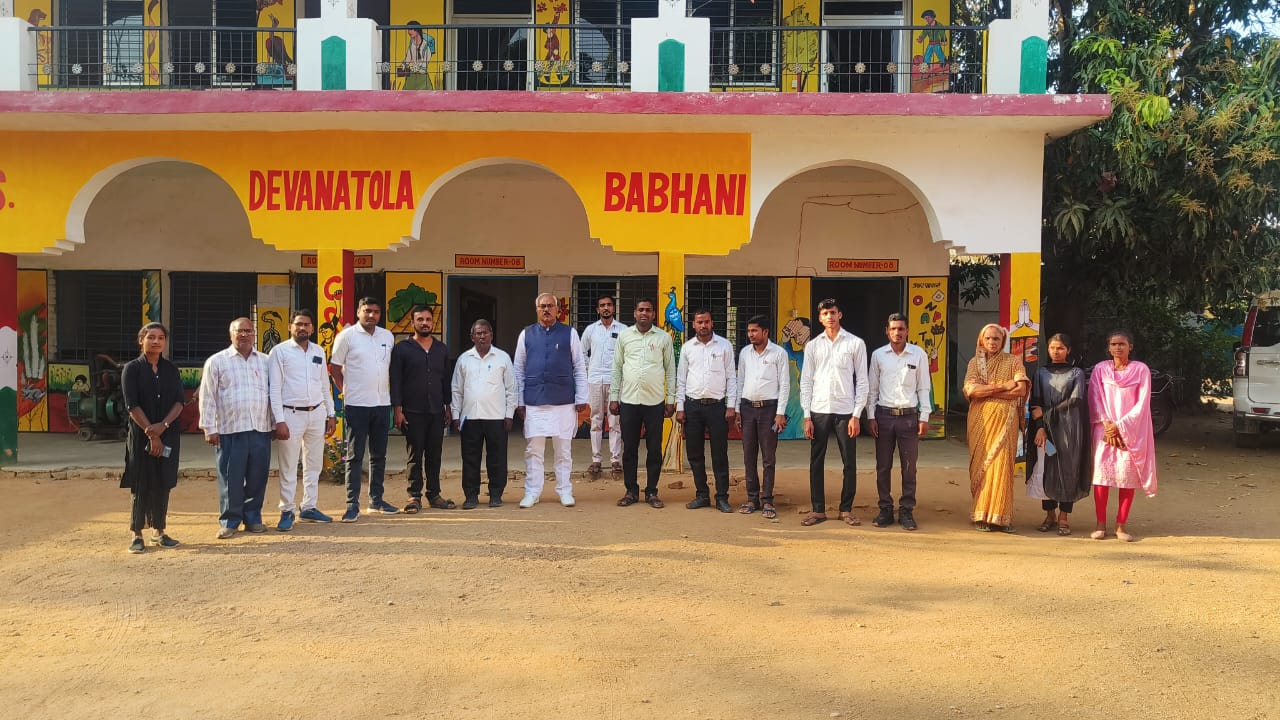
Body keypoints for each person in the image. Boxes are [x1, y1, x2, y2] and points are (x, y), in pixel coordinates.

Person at [199, 317, 275, 539]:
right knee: (230, 477)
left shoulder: (266, 362)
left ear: (254, 334)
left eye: (248, 331)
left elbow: (273, 394)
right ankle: (230, 520)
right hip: (230, 430)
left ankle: (253, 518)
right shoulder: (217, 361)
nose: (244, 335)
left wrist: (274, 422)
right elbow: (207, 396)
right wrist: (209, 427)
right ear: (230, 334)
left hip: (260, 428)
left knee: (257, 476)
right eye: (239, 331)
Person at [513, 292, 589, 508]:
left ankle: (565, 491)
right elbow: (518, 369)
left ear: (557, 309)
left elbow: (579, 367)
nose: (546, 310)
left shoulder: (570, 333)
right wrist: (519, 400)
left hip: (563, 400)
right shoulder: (526, 334)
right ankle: (532, 492)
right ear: (537, 309)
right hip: (534, 400)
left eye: (550, 306)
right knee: (534, 450)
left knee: (563, 449)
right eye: (542, 306)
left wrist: (581, 397)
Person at [799, 298, 868, 527]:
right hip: (818, 409)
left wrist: (856, 415)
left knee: (849, 461)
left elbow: (862, 381)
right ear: (820, 318)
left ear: (840, 315)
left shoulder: (855, 343)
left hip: (845, 411)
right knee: (816, 461)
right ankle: (818, 510)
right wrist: (806, 415)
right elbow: (806, 381)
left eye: (833, 312)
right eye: (825, 313)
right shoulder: (812, 346)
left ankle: (846, 509)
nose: (829, 316)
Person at [267, 310, 337, 531]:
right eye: (298, 324)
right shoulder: (279, 352)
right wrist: (279, 420)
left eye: (307, 324)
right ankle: (287, 509)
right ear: (290, 327)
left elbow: (324, 385)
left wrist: (331, 413)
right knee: (289, 466)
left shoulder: (318, 351)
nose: (302, 328)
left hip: (316, 413)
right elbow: (274, 389)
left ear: (312, 328)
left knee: (314, 464)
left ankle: (309, 507)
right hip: (290, 414)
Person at [330, 297, 398, 522]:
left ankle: (376, 501)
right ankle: (352, 505)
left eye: (376, 311)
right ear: (358, 311)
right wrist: (346, 390)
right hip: (356, 405)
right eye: (367, 310)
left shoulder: (387, 336)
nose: (371, 315)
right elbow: (335, 368)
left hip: (381, 404)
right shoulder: (346, 336)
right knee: (354, 456)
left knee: (379, 455)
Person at [121, 322, 185, 553]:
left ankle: (159, 531)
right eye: (151, 337)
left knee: (163, 481)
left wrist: (163, 426)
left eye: (160, 338)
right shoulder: (132, 369)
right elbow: (132, 405)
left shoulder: (171, 370)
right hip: (141, 437)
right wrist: (151, 432)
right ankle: (136, 534)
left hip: (168, 434)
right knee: (141, 482)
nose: (156, 341)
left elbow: (179, 402)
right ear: (141, 340)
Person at [1089, 330, 1158, 541]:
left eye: (1122, 344)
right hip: (1104, 430)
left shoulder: (1141, 370)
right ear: (1108, 347)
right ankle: (1100, 525)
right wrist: (1107, 425)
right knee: (1101, 477)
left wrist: (1120, 426)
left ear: (1130, 347)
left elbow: (1142, 403)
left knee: (1126, 477)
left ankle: (1121, 526)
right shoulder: (1100, 369)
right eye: (1114, 344)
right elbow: (1094, 397)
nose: (1118, 347)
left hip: (1131, 431)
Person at [867, 312, 932, 531]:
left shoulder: (918, 354)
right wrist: (870, 416)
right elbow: (872, 389)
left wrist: (924, 416)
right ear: (887, 331)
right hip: (884, 416)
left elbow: (923, 387)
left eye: (901, 329)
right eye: (893, 329)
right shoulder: (878, 355)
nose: (897, 333)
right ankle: (885, 508)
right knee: (883, 465)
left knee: (909, 467)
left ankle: (906, 509)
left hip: (909, 417)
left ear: (907, 331)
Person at [962, 323, 1030, 533]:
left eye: (996, 339)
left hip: (1006, 422)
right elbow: (971, 390)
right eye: (988, 338)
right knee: (981, 465)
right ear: (981, 340)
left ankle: (1001, 517)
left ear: (1003, 341)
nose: (992, 342)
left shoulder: (1013, 361)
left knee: (1002, 465)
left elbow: (1020, 390)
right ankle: (981, 514)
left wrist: (988, 391)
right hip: (980, 421)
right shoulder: (975, 363)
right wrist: (1003, 386)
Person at [610, 297, 676, 509]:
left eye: (648, 310)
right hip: (629, 401)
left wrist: (671, 399)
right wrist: (613, 397)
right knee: (629, 449)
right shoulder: (624, 336)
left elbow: (670, 370)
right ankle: (631, 491)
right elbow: (617, 367)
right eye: (641, 310)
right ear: (635, 313)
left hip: (655, 402)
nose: (644, 313)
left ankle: (652, 492)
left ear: (654, 314)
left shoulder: (664, 338)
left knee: (654, 449)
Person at [1026, 333, 1091, 536]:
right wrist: (1040, 427)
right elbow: (1036, 402)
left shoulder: (1076, 373)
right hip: (1046, 432)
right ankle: (1050, 515)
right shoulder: (1041, 373)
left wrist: (1046, 413)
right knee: (1046, 469)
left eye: (1061, 348)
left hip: (1069, 431)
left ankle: (1064, 518)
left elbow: (1075, 401)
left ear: (1068, 350)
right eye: (1052, 347)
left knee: (1067, 471)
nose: (1056, 351)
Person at [390, 305, 454, 513]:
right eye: (420, 319)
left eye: (428, 319)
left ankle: (434, 494)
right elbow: (396, 381)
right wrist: (397, 410)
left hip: (436, 411)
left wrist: (448, 407)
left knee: (435, 454)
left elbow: (446, 380)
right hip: (412, 411)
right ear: (412, 322)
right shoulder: (402, 349)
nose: (425, 323)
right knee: (415, 455)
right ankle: (414, 495)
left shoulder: (441, 349)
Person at [451, 319, 518, 508]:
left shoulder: (502, 358)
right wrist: (455, 415)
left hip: (496, 417)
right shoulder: (464, 359)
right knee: (470, 458)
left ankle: (496, 494)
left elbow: (512, 388)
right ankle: (471, 496)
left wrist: (509, 414)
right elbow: (456, 389)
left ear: (491, 335)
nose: (482, 336)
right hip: (470, 417)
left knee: (497, 458)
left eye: (485, 332)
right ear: (472, 337)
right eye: (478, 333)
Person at [676, 308, 738, 512]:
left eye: (706, 322)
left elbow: (731, 377)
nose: (703, 325)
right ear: (694, 325)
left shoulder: (724, 345)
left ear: (712, 323)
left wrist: (731, 406)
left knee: (719, 454)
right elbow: (681, 380)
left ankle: (722, 497)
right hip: (692, 406)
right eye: (699, 322)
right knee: (695, 454)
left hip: (717, 407)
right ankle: (702, 495)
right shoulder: (687, 348)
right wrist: (680, 407)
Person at [735, 314, 789, 520]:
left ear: (765, 332)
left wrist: (780, 413)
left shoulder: (779, 353)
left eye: (754, 331)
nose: (750, 334)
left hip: (769, 410)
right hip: (747, 408)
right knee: (749, 455)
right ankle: (752, 499)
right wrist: (738, 410)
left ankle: (767, 500)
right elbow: (740, 381)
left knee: (768, 458)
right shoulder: (744, 353)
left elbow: (784, 384)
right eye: (749, 331)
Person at [580, 294, 627, 477]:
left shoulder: (623, 330)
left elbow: (629, 354)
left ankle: (615, 460)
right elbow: (582, 352)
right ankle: (596, 460)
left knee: (615, 421)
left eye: (609, 305)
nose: (606, 308)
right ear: (597, 309)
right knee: (596, 420)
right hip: (595, 380)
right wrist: (589, 368)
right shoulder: (591, 330)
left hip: (616, 381)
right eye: (602, 305)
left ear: (614, 308)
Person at [399, 21, 435, 90]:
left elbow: (426, 60)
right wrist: (404, 65)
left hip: (422, 75)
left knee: (425, 93)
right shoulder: (412, 44)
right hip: (412, 74)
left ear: (417, 30)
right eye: (408, 29)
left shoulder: (426, 45)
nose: (409, 32)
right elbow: (408, 57)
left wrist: (422, 68)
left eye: (411, 29)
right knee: (407, 93)